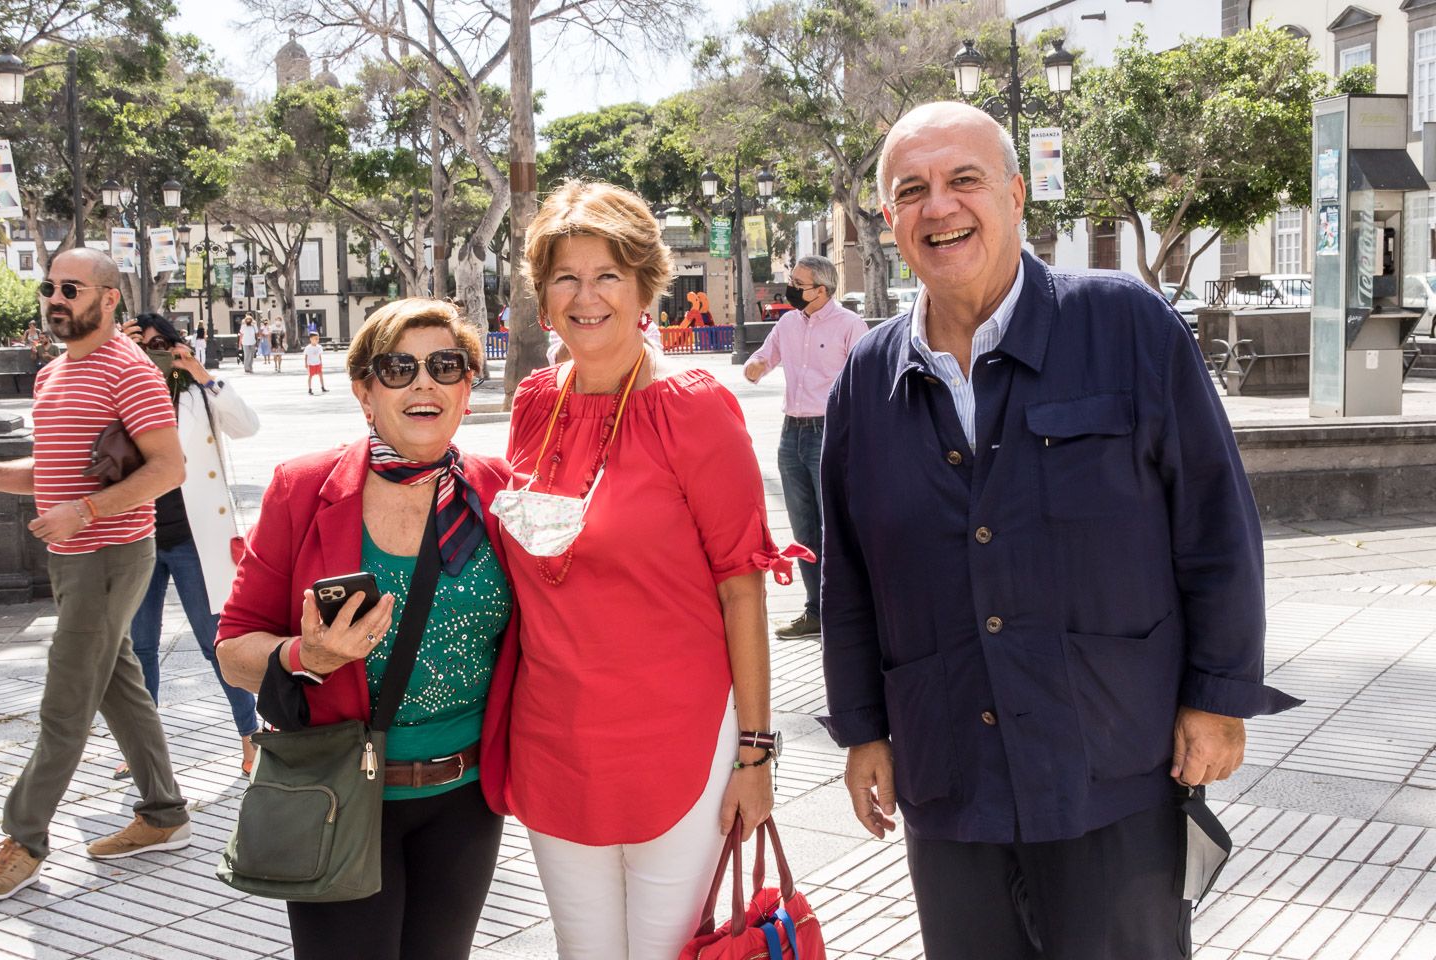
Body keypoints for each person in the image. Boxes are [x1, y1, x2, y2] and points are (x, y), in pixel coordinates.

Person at [819, 101, 1302, 960]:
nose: (940, 207)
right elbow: (851, 575)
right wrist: (862, 729)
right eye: (913, 190)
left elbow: (1217, 524)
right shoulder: (866, 375)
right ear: (889, 220)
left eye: (964, 180)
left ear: (1014, 193)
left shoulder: (1126, 325)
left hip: (1112, 761)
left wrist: (1219, 698)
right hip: (949, 771)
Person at [492, 180, 802, 960]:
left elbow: (741, 586)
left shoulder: (691, 409)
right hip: (556, 742)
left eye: (607, 275)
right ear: (542, 296)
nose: (585, 296)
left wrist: (755, 753)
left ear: (644, 289)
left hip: (678, 741)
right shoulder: (534, 404)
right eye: (565, 276)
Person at [215, 298, 513, 960]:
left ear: (467, 386)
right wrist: (304, 654)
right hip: (340, 791)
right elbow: (233, 647)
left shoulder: (497, 491)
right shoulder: (303, 487)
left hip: (466, 799)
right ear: (364, 391)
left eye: (444, 365)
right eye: (398, 368)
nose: (424, 383)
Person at [0, 249, 191, 900]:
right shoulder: (54, 375)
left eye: (71, 288)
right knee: (116, 685)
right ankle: (164, 814)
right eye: (49, 286)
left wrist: (86, 511)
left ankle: (24, 839)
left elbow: (168, 468)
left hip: (109, 554)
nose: (55, 297)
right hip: (73, 558)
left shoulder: (128, 370)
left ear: (109, 299)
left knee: (65, 698)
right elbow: (49, 474)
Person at [118, 312, 260, 779]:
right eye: (147, 344)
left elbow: (247, 426)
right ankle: (141, 753)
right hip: (136, 534)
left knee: (214, 643)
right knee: (140, 648)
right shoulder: (120, 388)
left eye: (164, 342)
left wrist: (202, 374)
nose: (157, 350)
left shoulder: (197, 393)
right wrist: (119, 352)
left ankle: (250, 737)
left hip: (191, 540)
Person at [743, 255, 867, 641]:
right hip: (790, 434)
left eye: (798, 283)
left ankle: (847, 610)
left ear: (822, 290)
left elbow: (866, 381)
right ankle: (814, 610)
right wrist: (756, 366)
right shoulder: (787, 323)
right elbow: (765, 356)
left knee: (835, 527)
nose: (791, 289)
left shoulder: (851, 326)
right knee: (803, 529)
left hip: (829, 431)